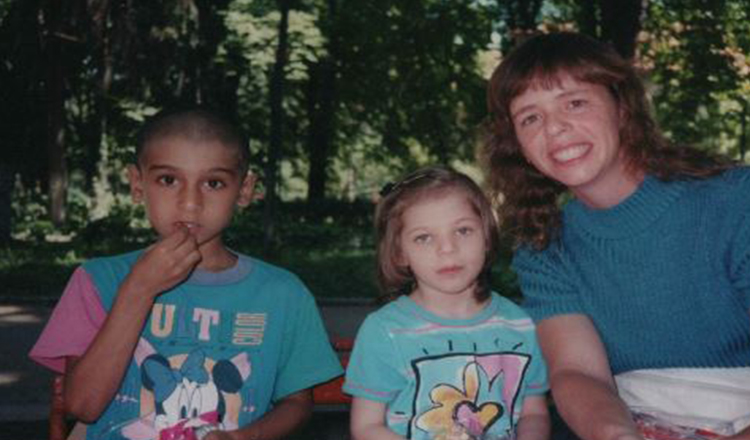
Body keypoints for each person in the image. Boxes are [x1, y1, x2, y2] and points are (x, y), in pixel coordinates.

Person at [483, 31, 750, 440]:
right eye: (530, 118)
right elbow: (577, 373)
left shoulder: (734, 202)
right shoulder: (543, 248)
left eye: (575, 102)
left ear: (622, 106)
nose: (554, 128)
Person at [29, 107, 343, 440]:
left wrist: (241, 437)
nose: (190, 203)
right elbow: (83, 406)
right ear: (137, 183)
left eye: (213, 183)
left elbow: (297, 403)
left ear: (244, 189)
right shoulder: (98, 280)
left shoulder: (283, 293)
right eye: (168, 180)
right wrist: (138, 290)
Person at [344, 166, 550, 440]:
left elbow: (533, 414)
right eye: (424, 237)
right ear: (399, 253)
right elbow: (367, 427)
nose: (447, 248)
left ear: (487, 237)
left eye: (463, 230)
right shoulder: (384, 331)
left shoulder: (521, 325)